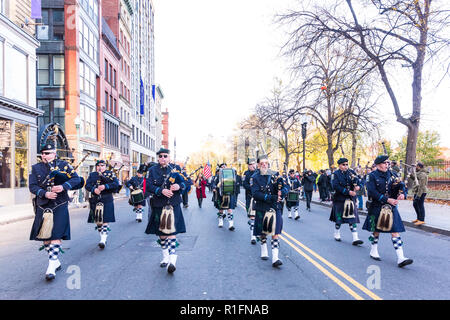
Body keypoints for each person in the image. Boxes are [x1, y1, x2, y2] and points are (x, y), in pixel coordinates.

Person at [29, 142, 81, 281]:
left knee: (55, 236)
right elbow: (32, 186)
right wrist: (44, 194)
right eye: (44, 153)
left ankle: (51, 267)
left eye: (49, 153)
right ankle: (55, 261)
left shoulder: (64, 165)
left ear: (54, 153)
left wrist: (64, 186)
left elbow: (76, 179)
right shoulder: (35, 168)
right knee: (46, 240)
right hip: (43, 206)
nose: (46, 156)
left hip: (60, 204)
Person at [363, 155, 413, 268]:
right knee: (376, 230)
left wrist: (402, 194)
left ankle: (401, 257)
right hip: (377, 206)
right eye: (385, 162)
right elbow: (371, 192)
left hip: (391, 207)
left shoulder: (393, 175)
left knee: (395, 230)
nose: (387, 164)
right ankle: (373, 250)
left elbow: (401, 186)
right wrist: (387, 199)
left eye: (388, 162)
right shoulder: (371, 176)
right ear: (378, 164)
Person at [145, 148, 187, 273]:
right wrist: (160, 190)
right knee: (162, 234)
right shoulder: (152, 170)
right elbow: (149, 186)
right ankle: (165, 256)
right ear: (158, 158)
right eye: (161, 156)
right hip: (159, 204)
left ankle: (173, 259)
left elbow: (187, 183)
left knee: (172, 232)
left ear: (169, 157)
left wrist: (179, 186)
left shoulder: (176, 169)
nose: (163, 158)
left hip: (173, 204)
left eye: (165, 156)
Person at [251, 154, 289, 267]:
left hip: (274, 207)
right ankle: (263, 249)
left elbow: (286, 186)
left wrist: (283, 192)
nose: (264, 165)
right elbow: (255, 193)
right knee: (263, 232)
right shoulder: (255, 177)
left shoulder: (275, 175)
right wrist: (271, 197)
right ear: (258, 165)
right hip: (261, 207)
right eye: (261, 163)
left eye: (266, 163)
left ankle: (275, 258)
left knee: (275, 232)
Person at [85, 160, 119, 249]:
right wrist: (93, 189)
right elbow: (87, 185)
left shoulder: (110, 173)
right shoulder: (92, 175)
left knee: (105, 221)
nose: (100, 167)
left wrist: (105, 186)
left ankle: (103, 240)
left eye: (102, 165)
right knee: (98, 222)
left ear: (105, 166)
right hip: (95, 200)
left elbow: (116, 184)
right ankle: (102, 237)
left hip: (107, 199)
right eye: (98, 165)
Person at [329, 158, 364, 245]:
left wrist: (358, 186)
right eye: (343, 165)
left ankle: (355, 238)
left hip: (351, 199)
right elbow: (335, 186)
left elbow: (359, 181)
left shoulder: (351, 172)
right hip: (340, 199)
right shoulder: (335, 174)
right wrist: (348, 192)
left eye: (346, 164)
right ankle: (337, 232)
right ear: (339, 165)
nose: (345, 166)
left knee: (352, 218)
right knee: (339, 218)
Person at [212, 163, 237, 231]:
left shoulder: (230, 174)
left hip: (229, 193)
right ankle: (220, 221)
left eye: (225, 166)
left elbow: (234, 181)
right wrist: (215, 187)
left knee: (229, 209)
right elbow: (213, 182)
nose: (224, 167)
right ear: (220, 168)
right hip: (220, 194)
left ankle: (231, 224)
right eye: (222, 167)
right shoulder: (218, 175)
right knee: (221, 209)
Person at [243, 158, 257, 244]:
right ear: (248, 165)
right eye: (250, 164)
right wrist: (252, 189)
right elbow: (244, 184)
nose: (252, 166)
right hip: (249, 197)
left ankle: (254, 235)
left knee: (255, 217)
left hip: (258, 198)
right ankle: (253, 234)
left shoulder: (259, 172)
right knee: (251, 215)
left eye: (253, 164)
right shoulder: (246, 173)